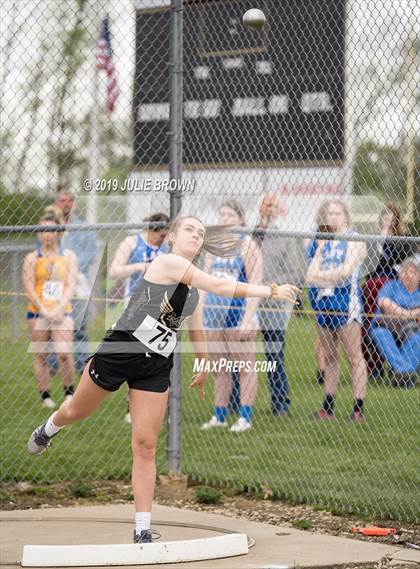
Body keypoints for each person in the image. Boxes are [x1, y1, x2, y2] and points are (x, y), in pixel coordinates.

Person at [27, 215, 300, 544]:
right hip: (122, 350)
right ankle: (48, 429)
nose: (196, 236)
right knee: (76, 412)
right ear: (173, 237)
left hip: (155, 365)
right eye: (189, 230)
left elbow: (196, 328)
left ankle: (142, 528)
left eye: (201, 234)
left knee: (145, 445)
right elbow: (221, 285)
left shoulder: (192, 290)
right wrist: (269, 289)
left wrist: (203, 363)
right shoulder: (167, 262)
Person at [200, 200, 263, 432]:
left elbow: (256, 283)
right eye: (221, 214)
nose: (224, 219)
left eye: (230, 215)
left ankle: (245, 417)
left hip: (237, 314)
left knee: (245, 367)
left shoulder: (248, 246)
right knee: (219, 368)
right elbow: (204, 281)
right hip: (214, 315)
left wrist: (248, 318)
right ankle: (219, 415)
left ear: (240, 220)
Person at [306, 199, 368, 422]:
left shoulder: (355, 240)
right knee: (330, 357)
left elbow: (345, 272)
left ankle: (357, 409)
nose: (332, 217)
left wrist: (322, 276)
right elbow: (309, 275)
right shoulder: (323, 241)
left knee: (354, 356)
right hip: (324, 306)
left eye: (337, 213)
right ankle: (328, 408)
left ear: (346, 216)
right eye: (329, 213)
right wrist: (323, 272)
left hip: (346, 306)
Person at [109, 212, 169, 423]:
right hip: (135, 307)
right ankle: (131, 406)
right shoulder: (132, 242)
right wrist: (139, 267)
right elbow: (113, 270)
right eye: (161, 235)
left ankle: (161, 409)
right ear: (152, 229)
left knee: (159, 359)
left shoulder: (167, 246)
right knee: (135, 358)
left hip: (160, 308)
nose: (163, 239)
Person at [250, 191, 306, 417]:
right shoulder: (248, 235)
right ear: (260, 208)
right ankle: (236, 402)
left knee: (274, 355)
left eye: (274, 205)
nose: (270, 209)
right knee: (240, 355)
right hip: (247, 306)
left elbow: (293, 272)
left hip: (272, 306)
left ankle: (280, 404)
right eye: (266, 204)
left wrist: (269, 289)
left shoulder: (284, 238)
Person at [22, 208, 78, 408]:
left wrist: (59, 308)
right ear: (38, 233)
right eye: (43, 231)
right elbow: (29, 287)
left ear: (58, 233)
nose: (47, 235)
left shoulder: (68, 256)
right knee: (42, 355)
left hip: (62, 311)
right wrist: (44, 310)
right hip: (38, 312)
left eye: (51, 231)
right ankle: (45, 396)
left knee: (64, 353)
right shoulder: (32, 258)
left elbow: (71, 285)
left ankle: (69, 393)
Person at [362, 204, 412, 378]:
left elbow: (401, 262)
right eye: (385, 215)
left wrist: (387, 243)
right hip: (373, 287)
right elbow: (369, 264)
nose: (388, 218)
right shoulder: (372, 238)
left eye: (392, 215)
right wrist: (380, 239)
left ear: (397, 218)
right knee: (372, 325)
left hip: (393, 287)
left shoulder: (403, 239)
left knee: (395, 325)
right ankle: (374, 364)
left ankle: (396, 362)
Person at [54, 191, 97, 374]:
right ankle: (53, 365)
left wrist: (70, 269)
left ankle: (81, 365)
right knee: (53, 322)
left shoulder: (84, 227)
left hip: (79, 281)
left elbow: (91, 254)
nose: (66, 204)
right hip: (54, 282)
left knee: (80, 325)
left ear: (74, 204)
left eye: (69, 200)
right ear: (56, 203)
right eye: (62, 200)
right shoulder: (50, 227)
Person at [369, 259, 419, 387]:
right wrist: (409, 314)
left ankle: (401, 374)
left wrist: (399, 312)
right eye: (404, 271)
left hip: (411, 329)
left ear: (419, 276)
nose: (407, 274)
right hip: (387, 325)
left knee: (417, 338)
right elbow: (384, 302)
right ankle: (406, 372)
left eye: (412, 272)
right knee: (380, 333)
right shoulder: (392, 286)